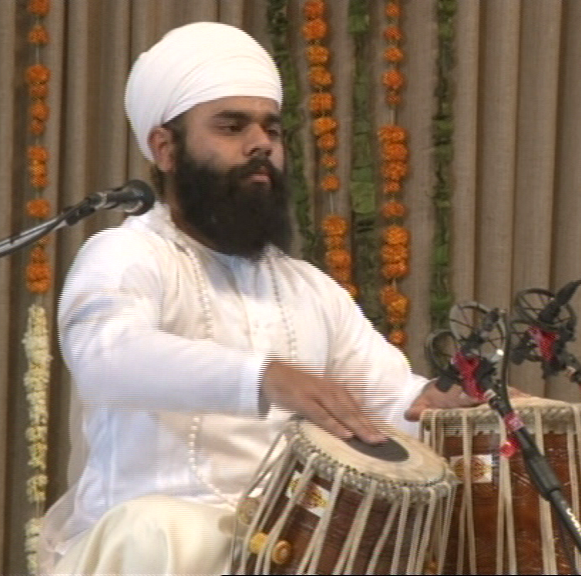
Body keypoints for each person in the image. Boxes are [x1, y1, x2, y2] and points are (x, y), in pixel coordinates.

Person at [40, 21, 479, 575]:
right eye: (231, 126)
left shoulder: (306, 288)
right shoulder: (128, 255)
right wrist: (264, 377)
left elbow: (390, 401)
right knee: (160, 528)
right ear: (165, 147)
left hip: (285, 547)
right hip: (155, 548)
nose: (261, 144)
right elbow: (105, 356)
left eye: (271, 128)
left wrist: (441, 405)